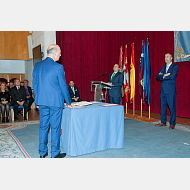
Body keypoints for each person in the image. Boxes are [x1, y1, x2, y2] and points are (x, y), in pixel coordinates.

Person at [32, 44, 75, 158]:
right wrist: (69, 102)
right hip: (55, 102)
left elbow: (35, 85)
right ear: (55, 53)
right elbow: (63, 86)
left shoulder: (37, 66)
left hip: (42, 101)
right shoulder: (58, 67)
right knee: (55, 127)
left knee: (43, 126)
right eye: (60, 52)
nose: (60, 55)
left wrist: (37, 101)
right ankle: (55, 153)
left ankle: (42, 152)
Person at [155, 53, 178, 129]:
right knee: (163, 106)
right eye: (165, 57)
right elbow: (158, 76)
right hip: (163, 90)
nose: (166, 58)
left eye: (167, 57)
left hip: (170, 91)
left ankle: (172, 123)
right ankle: (163, 121)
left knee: (172, 107)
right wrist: (165, 75)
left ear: (171, 58)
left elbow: (172, 76)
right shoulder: (163, 67)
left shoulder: (175, 66)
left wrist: (163, 76)